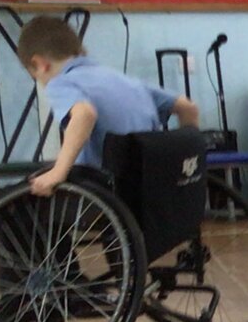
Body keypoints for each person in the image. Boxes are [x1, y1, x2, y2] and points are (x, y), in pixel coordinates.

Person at [17, 15, 198, 197]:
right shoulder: (124, 80)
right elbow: (187, 107)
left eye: (35, 76)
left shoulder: (60, 83)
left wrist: (58, 172)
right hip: (150, 192)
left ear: (39, 64)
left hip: (102, 193)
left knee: (13, 206)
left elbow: (84, 115)